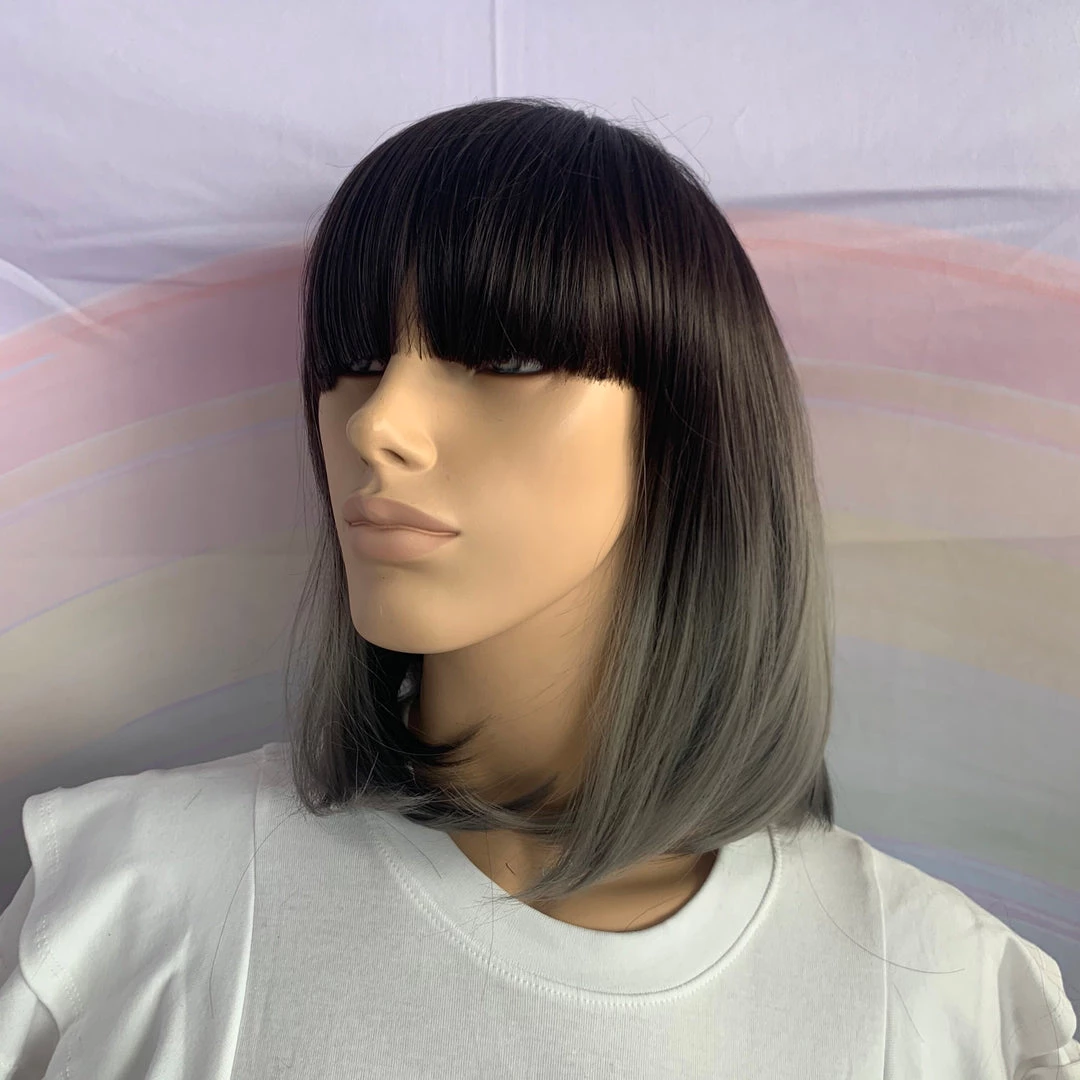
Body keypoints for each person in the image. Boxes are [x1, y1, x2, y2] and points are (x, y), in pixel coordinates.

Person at [1, 96, 1076, 1078]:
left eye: (504, 358)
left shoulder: (951, 1003)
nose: (377, 423)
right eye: (354, 357)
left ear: (684, 425)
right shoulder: (125, 917)